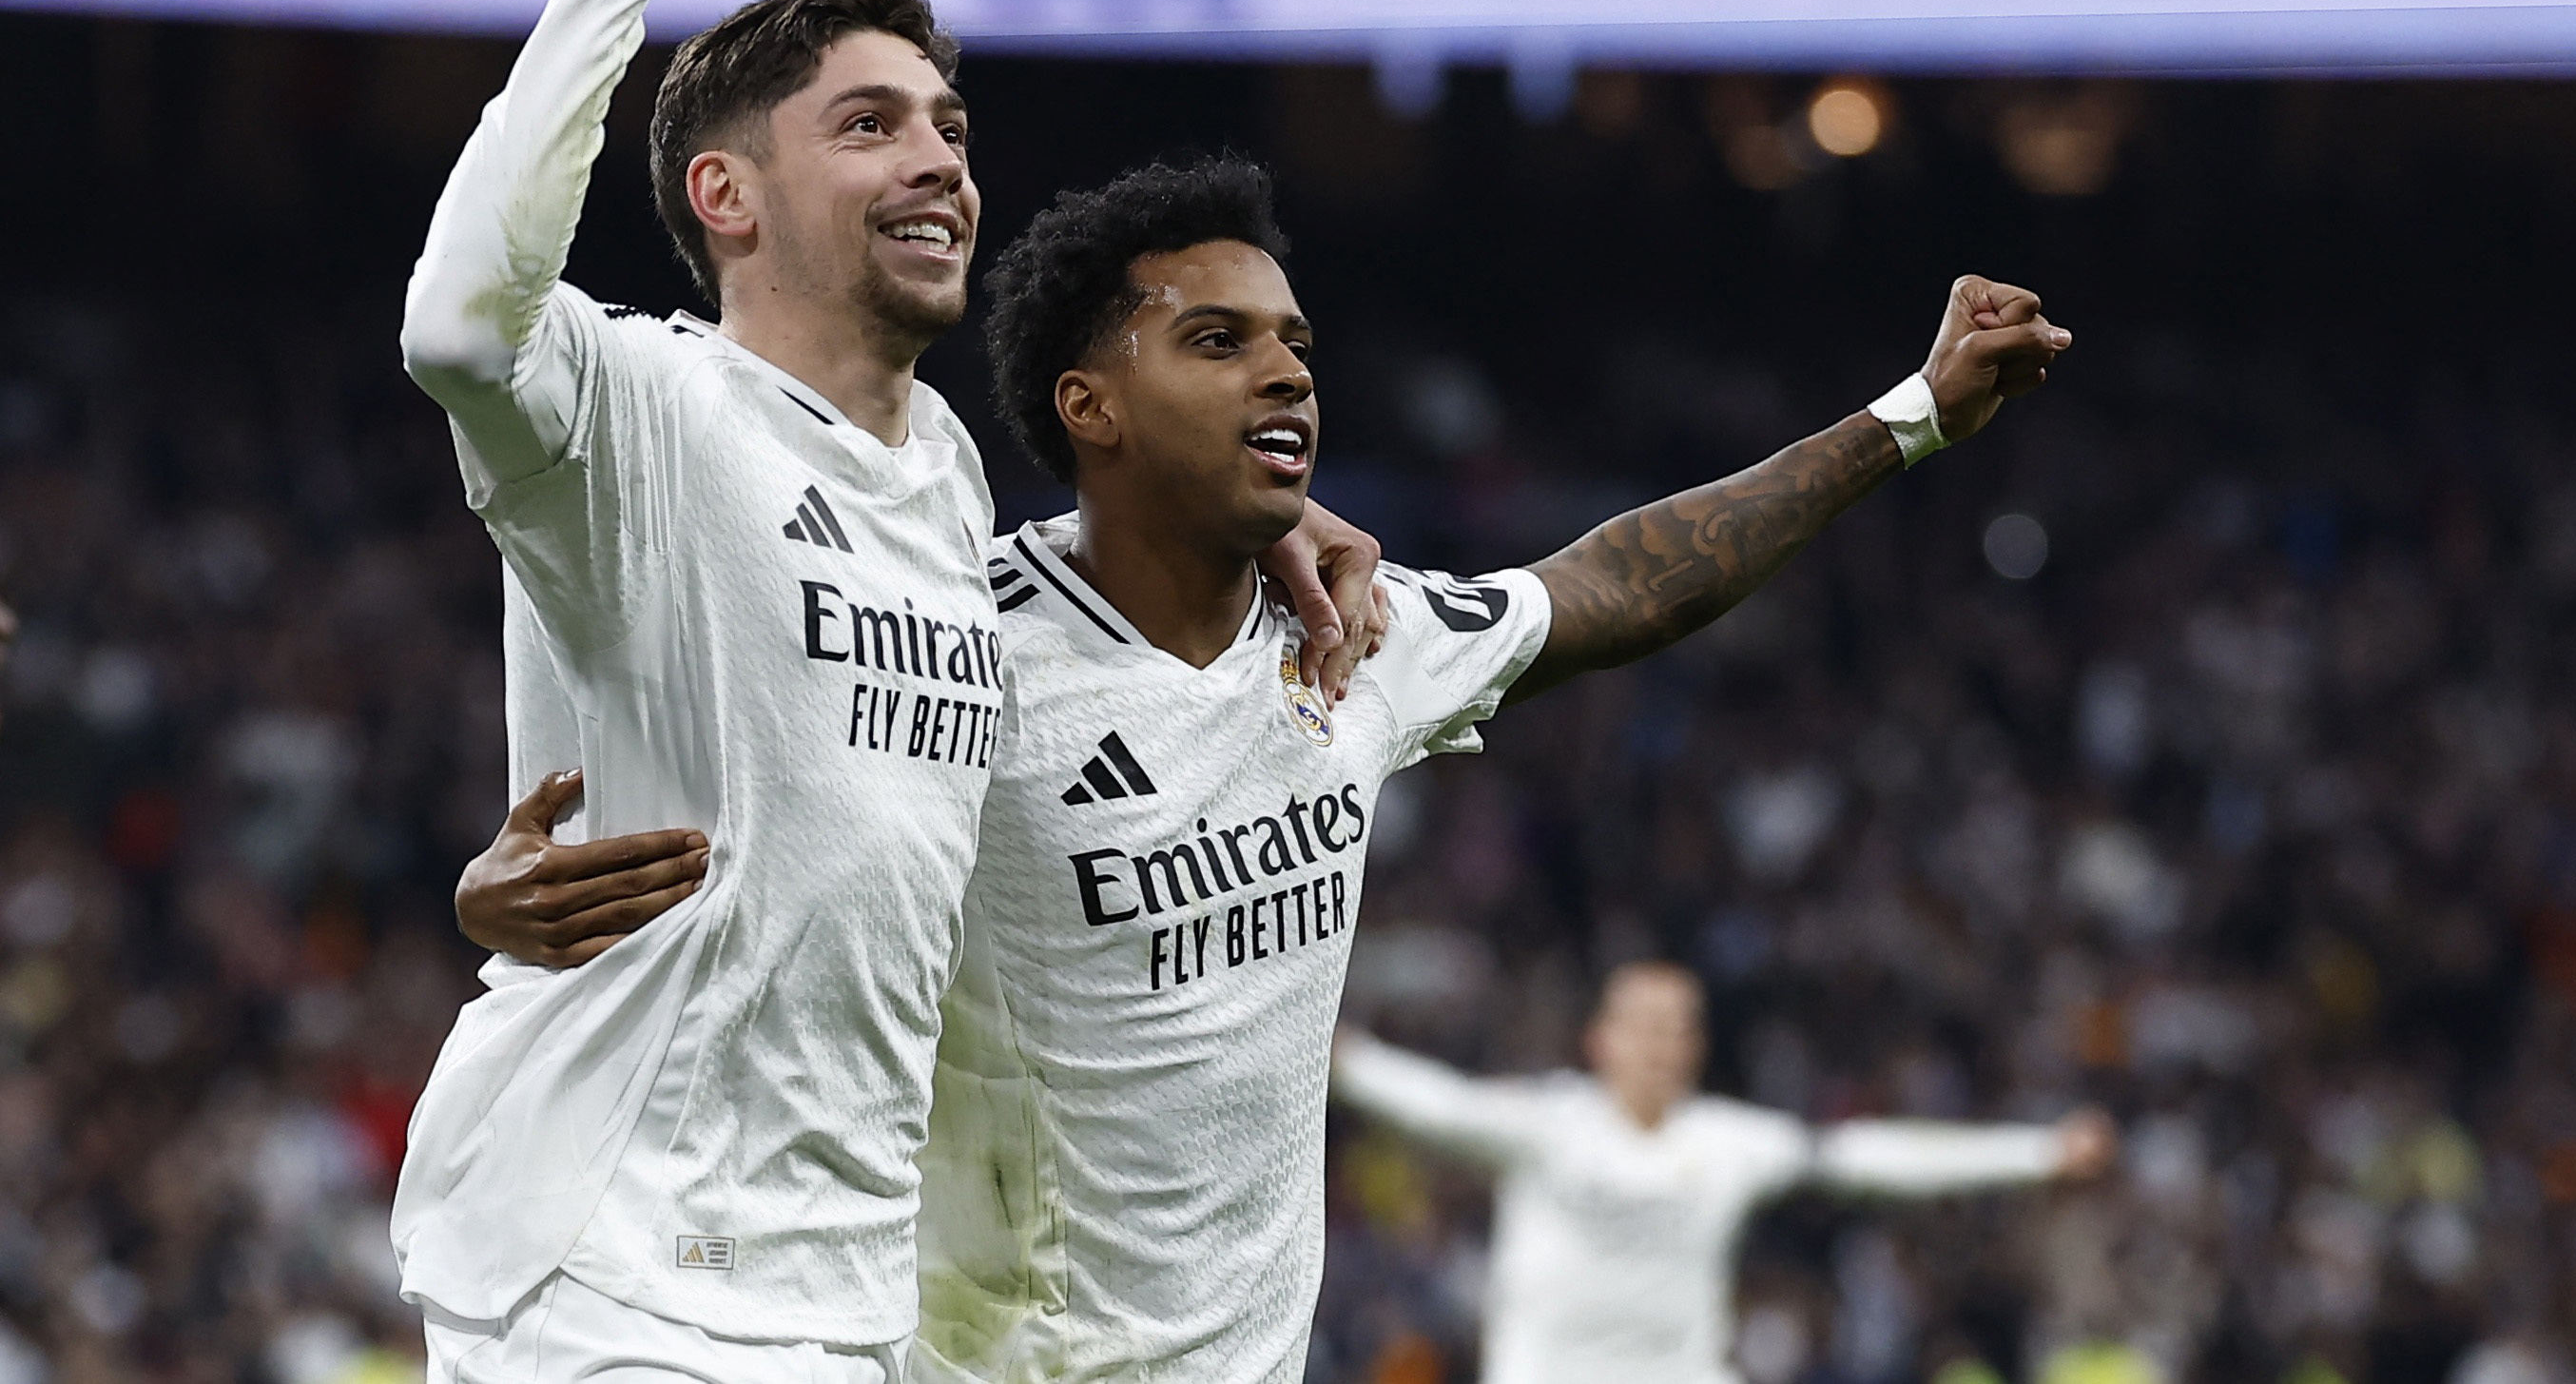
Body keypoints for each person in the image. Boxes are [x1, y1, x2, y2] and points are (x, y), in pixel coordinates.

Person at [466, 149, 2069, 1381]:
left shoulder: (1349, 640)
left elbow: (1622, 582)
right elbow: (712, 758)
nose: (1287, 372)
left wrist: (1911, 413)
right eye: (1217, 340)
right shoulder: (953, 646)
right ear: (1087, 404)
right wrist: (501, 901)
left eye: (1294, 342)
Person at [394, 0, 1379, 1383]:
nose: (938, 159)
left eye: (948, 127)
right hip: (616, 1277)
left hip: (837, 1303)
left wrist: (1245, 519)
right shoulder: (640, 406)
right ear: (728, 197)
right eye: (870, 125)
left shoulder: (940, 473)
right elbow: (457, 325)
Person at [1333, 962, 2120, 1384]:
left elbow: (1868, 1157)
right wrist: (1331, 1050)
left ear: (1694, 1050)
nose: (1656, 1044)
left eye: (1674, 1029)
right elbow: (1423, 1099)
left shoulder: (1729, 1144)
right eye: (1638, 1026)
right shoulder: (1545, 1126)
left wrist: (2037, 1152)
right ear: (1598, 1041)